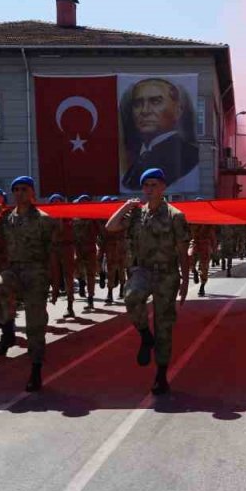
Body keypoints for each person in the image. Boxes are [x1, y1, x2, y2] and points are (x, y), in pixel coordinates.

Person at [106, 168, 190, 394]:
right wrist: (125, 206)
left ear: (163, 188)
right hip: (143, 270)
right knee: (131, 297)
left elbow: (183, 251)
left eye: (154, 185)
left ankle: (161, 375)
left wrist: (184, 282)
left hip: (167, 274)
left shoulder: (175, 216)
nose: (150, 189)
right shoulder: (136, 214)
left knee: (164, 326)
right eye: (146, 185)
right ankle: (145, 335)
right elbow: (110, 226)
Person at [0, 176, 61, 392]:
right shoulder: (6, 219)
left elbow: (53, 254)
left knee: (34, 326)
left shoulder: (45, 220)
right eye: (16, 189)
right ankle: (7, 329)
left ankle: (36, 369)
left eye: (24, 189)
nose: (19, 193)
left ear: (32, 193)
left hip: (36, 272)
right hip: (14, 270)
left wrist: (56, 283)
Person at [120, 78, 200, 191]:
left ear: (178, 110)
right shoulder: (139, 155)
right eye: (137, 104)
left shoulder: (189, 155)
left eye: (155, 101)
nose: (145, 111)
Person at [44, 194, 78, 319]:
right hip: (53, 249)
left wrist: (59, 217)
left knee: (69, 276)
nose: (56, 204)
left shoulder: (68, 216)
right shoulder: (46, 217)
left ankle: (70, 306)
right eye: (53, 202)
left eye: (59, 202)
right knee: (52, 275)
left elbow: (64, 230)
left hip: (67, 248)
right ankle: (53, 295)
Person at [71, 195, 101, 309]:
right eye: (81, 202)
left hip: (90, 249)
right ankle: (81, 281)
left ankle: (90, 298)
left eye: (85, 202)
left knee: (91, 274)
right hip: (78, 249)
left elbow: (100, 231)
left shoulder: (94, 217)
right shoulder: (74, 217)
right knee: (76, 270)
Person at [188, 219, 218, 297]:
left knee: (204, 267)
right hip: (194, 241)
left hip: (205, 243)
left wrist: (214, 249)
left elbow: (212, 234)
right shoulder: (192, 217)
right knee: (189, 256)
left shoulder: (209, 221)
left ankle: (202, 287)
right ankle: (194, 271)